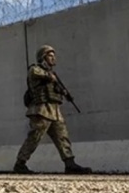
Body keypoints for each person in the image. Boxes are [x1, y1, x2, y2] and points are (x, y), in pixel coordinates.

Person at [13, 45, 92, 175]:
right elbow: (35, 73)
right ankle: (20, 164)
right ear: (43, 58)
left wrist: (63, 92)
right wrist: (49, 76)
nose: (53, 58)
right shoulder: (35, 69)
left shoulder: (52, 74)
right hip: (41, 110)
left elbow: (55, 88)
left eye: (53, 55)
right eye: (50, 55)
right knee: (34, 138)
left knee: (62, 137)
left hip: (54, 110)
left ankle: (69, 163)